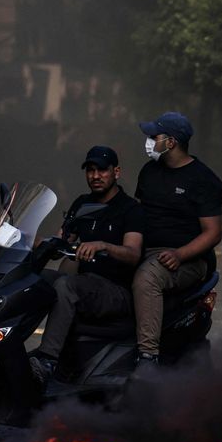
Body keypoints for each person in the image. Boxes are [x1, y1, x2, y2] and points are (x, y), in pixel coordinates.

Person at [29, 145, 145, 385]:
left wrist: (104, 245)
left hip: (115, 291)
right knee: (38, 281)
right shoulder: (82, 204)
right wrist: (32, 240)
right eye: (90, 170)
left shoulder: (130, 209)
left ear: (116, 172)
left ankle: (48, 360)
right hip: (85, 284)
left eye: (102, 170)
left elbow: (133, 253)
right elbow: (62, 240)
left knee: (65, 286)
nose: (95, 176)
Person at [131, 112, 222, 371]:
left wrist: (180, 255)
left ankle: (148, 357)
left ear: (171, 142)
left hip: (186, 259)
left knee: (147, 278)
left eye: (154, 136)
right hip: (145, 249)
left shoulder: (204, 180)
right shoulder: (149, 171)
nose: (149, 141)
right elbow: (137, 213)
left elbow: (213, 233)